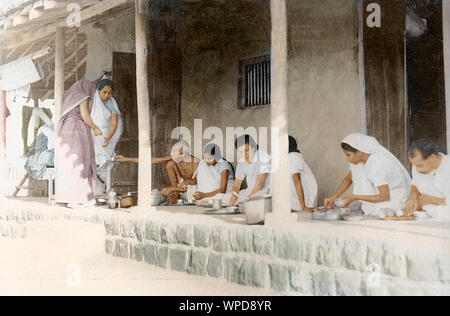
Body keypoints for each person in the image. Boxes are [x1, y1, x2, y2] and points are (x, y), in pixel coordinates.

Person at [324, 133, 411, 218]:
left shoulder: (377, 163)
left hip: (395, 198)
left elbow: (384, 197)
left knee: (379, 211)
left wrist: (353, 197)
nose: (346, 158)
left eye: (348, 155)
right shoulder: (359, 161)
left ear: (360, 151)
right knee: (351, 206)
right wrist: (334, 197)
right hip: (381, 197)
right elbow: (348, 178)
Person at [55, 80, 103, 207]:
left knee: (71, 164)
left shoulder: (70, 95)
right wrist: (95, 127)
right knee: (80, 162)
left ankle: (68, 196)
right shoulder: (82, 96)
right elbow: (85, 116)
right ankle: (77, 198)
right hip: (76, 130)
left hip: (66, 131)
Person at [115, 140, 200, 204]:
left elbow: (196, 182)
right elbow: (150, 160)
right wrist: (126, 159)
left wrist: (171, 188)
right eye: (173, 153)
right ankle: (175, 193)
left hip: (192, 188)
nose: (174, 156)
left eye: (178, 153)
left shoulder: (196, 162)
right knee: (169, 164)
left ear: (185, 153)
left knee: (193, 191)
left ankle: (175, 191)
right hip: (181, 185)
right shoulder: (174, 157)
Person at [404, 139, 450, 221]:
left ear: (432, 157)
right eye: (414, 166)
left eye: (419, 165)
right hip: (429, 218)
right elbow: (415, 184)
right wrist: (412, 195)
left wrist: (429, 200)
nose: (417, 170)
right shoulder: (417, 166)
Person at [90, 79, 123, 170]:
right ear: (98, 91)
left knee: (104, 158)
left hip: (105, 133)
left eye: (110, 93)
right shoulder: (93, 101)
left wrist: (108, 138)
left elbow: (114, 124)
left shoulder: (112, 103)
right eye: (104, 92)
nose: (107, 95)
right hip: (92, 131)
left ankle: (102, 178)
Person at [230, 135, 271, 206]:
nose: (244, 154)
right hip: (250, 191)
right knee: (225, 197)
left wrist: (247, 200)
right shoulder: (241, 162)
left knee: (253, 203)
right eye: (241, 152)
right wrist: (234, 195)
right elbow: (236, 185)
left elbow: (259, 185)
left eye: (246, 150)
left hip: (266, 192)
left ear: (253, 148)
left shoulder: (264, 156)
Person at [289, 136, 318, 212]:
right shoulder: (290, 158)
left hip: (303, 203)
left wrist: (304, 207)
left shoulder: (293, 158)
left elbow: (297, 182)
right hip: (298, 202)